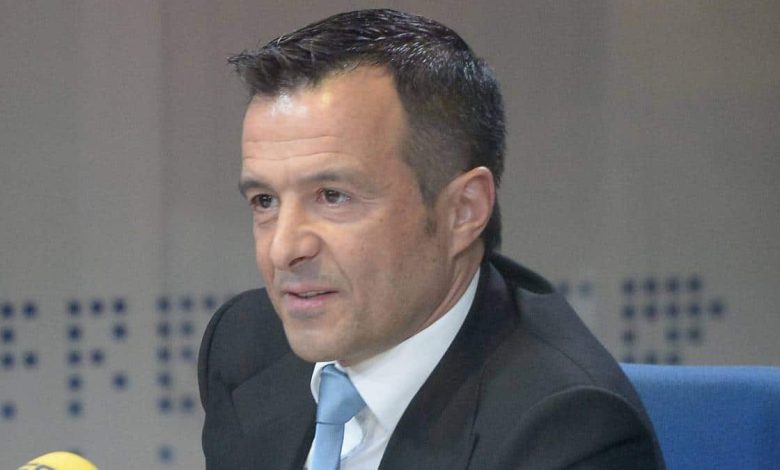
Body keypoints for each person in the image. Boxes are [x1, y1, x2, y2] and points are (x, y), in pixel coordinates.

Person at [198, 8, 665, 470]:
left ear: (463, 211)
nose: (283, 250)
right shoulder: (246, 345)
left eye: (333, 196)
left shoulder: (568, 431)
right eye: (264, 201)